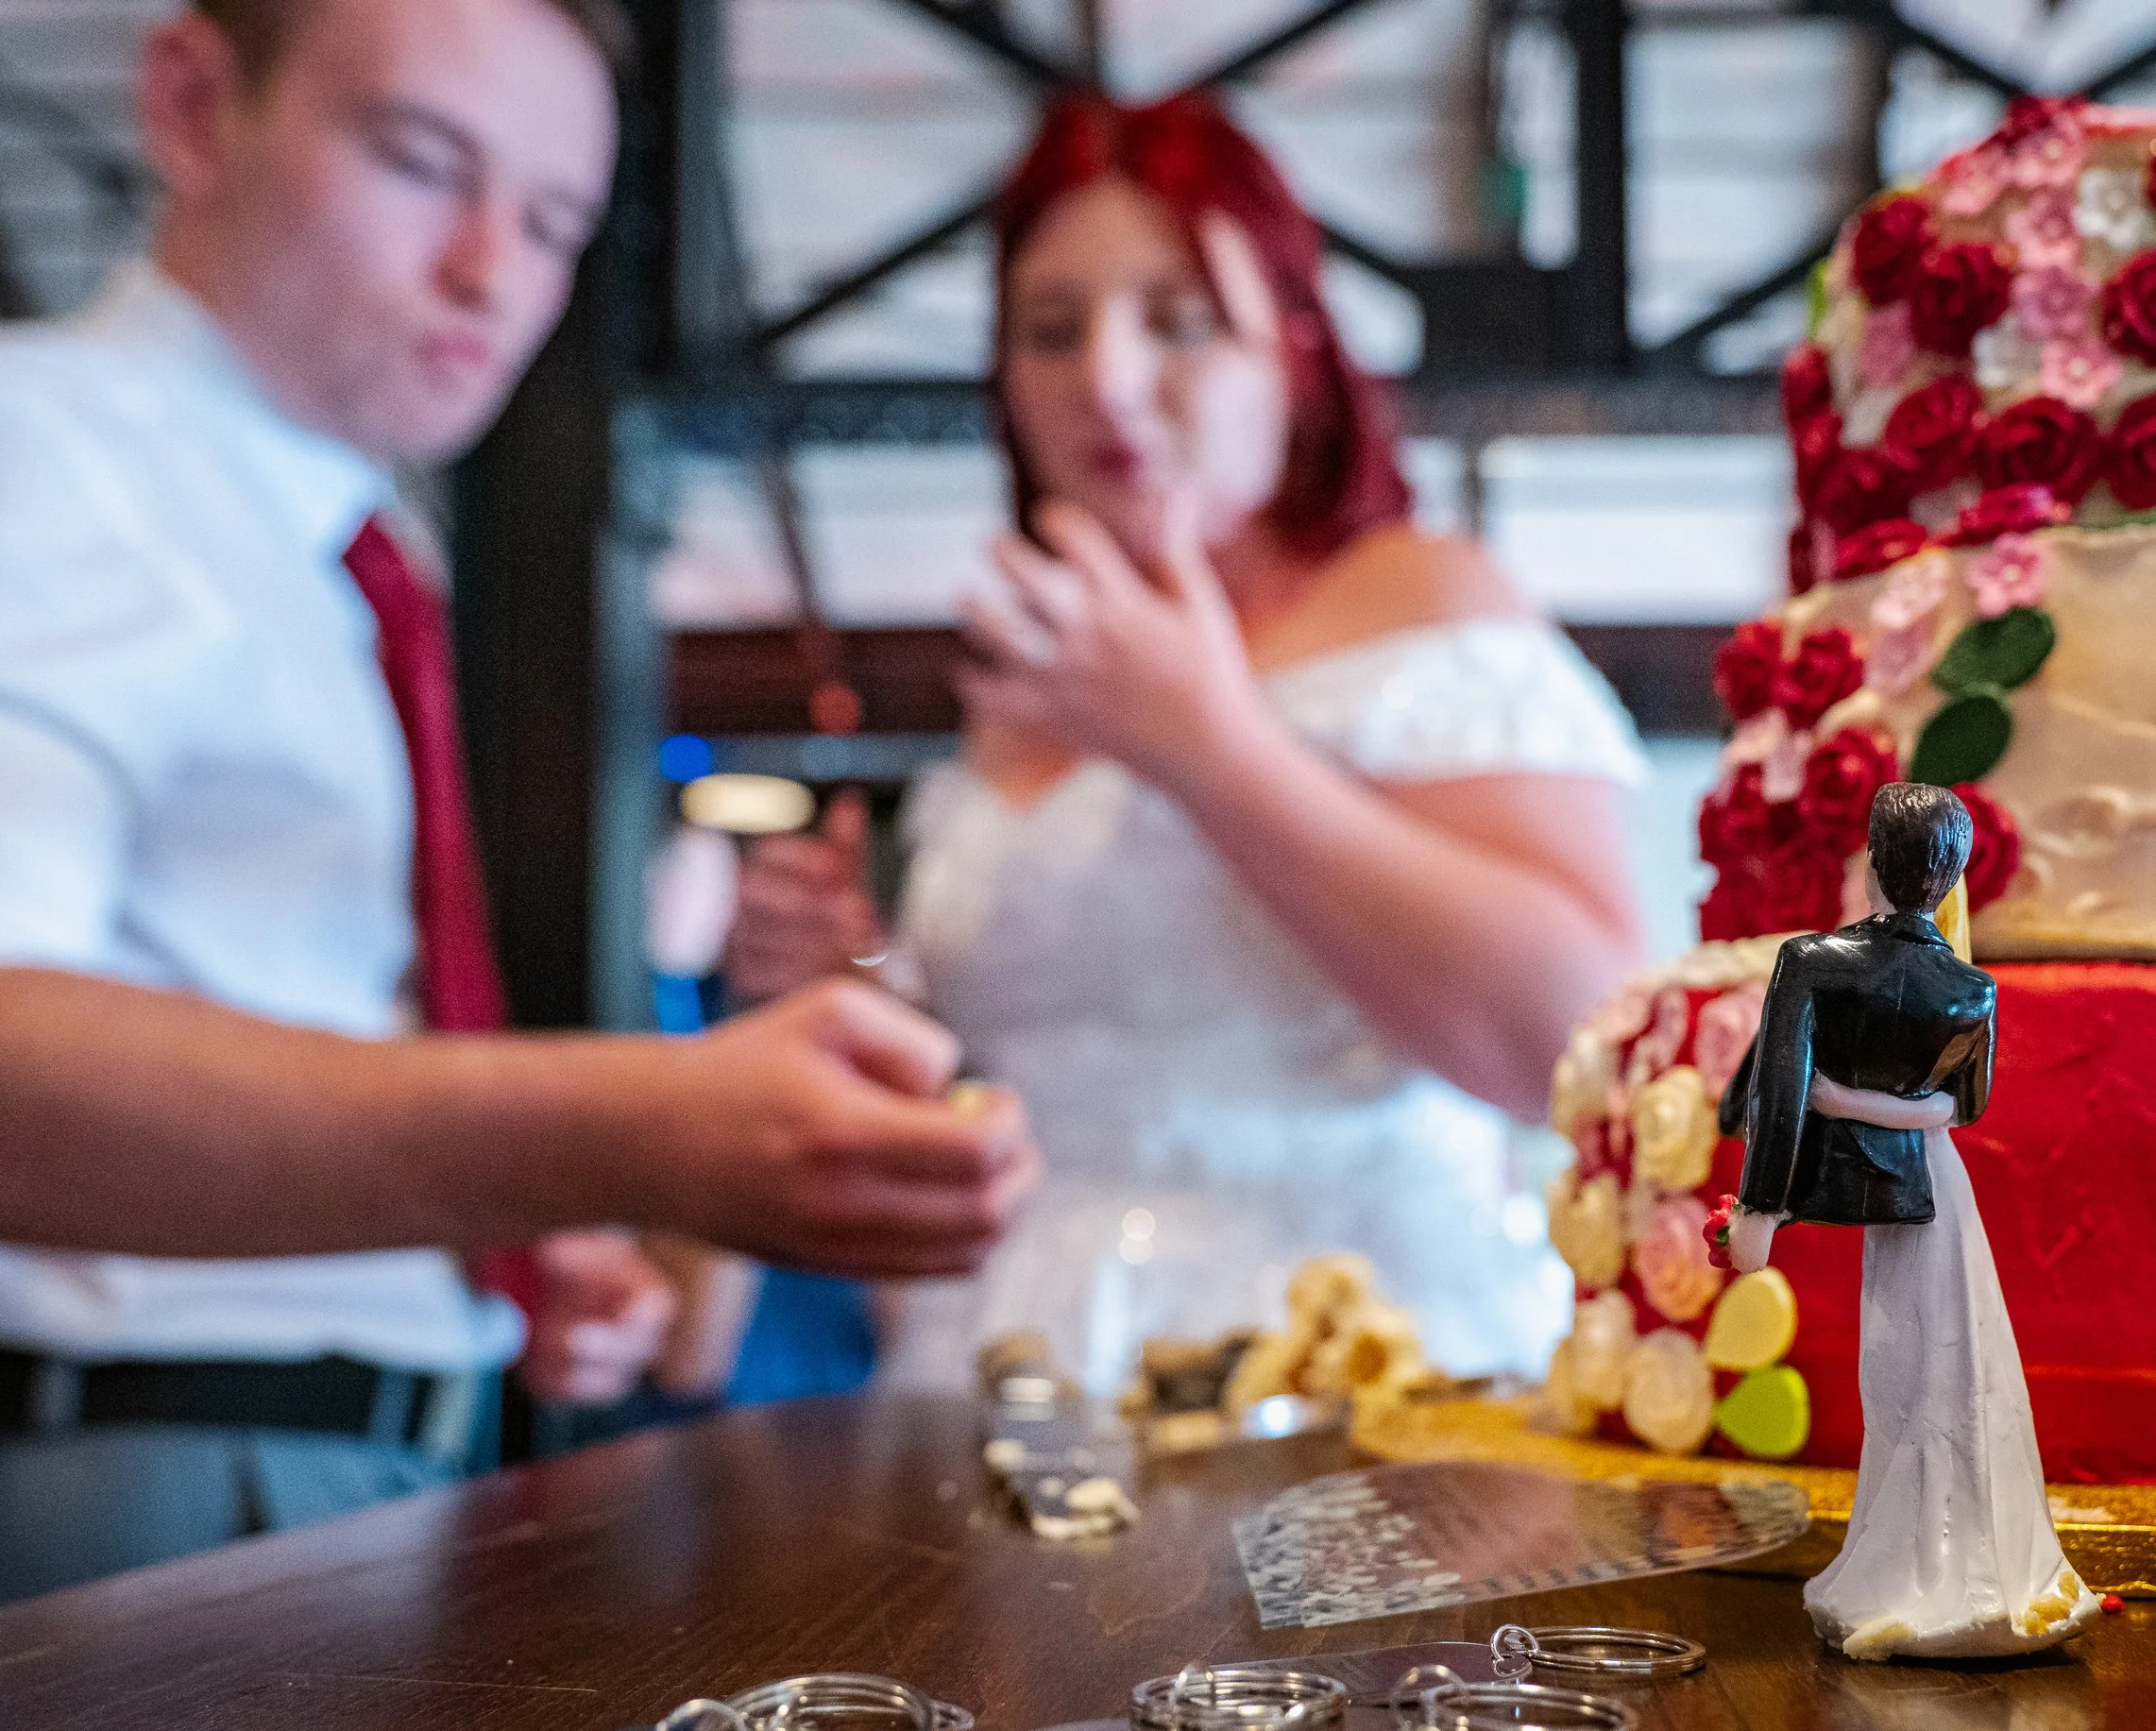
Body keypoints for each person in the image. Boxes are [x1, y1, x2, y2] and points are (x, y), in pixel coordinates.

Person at [0, 0, 1035, 1646]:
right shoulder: (21, 451)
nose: (489, 273)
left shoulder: (335, 555)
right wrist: (623, 1127)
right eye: (420, 162)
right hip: (111, 1490)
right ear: (189, 101)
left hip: (281, 1468)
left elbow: (245, 1006)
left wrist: (482, 1240)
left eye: (552, 223)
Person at [725, 92, 1647, 1397]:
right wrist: (860, 976)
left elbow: (1580, 1045)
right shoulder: (1014, 682)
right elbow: (1029, 1072)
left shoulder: (1420, 595)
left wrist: (1206, 745)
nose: (1102, 378)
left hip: (1364, 1376)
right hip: (1007, 1368)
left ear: (1295, 353)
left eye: (1178, 320)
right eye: (1050, 331)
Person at [1723, 783, 2097, 1660]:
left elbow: (1782, 1095)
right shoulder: (1970, 987)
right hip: (1940, 1188)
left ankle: (1914, 1564)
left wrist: (1762, 1210)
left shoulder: (1812, 961)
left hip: (1894, 1193)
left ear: (1870, 865)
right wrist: (1883, 1101)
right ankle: (1927, 1548)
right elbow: (1958, 1108)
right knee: (1940, 1362)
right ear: (1953, 876)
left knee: (1903, 1370)